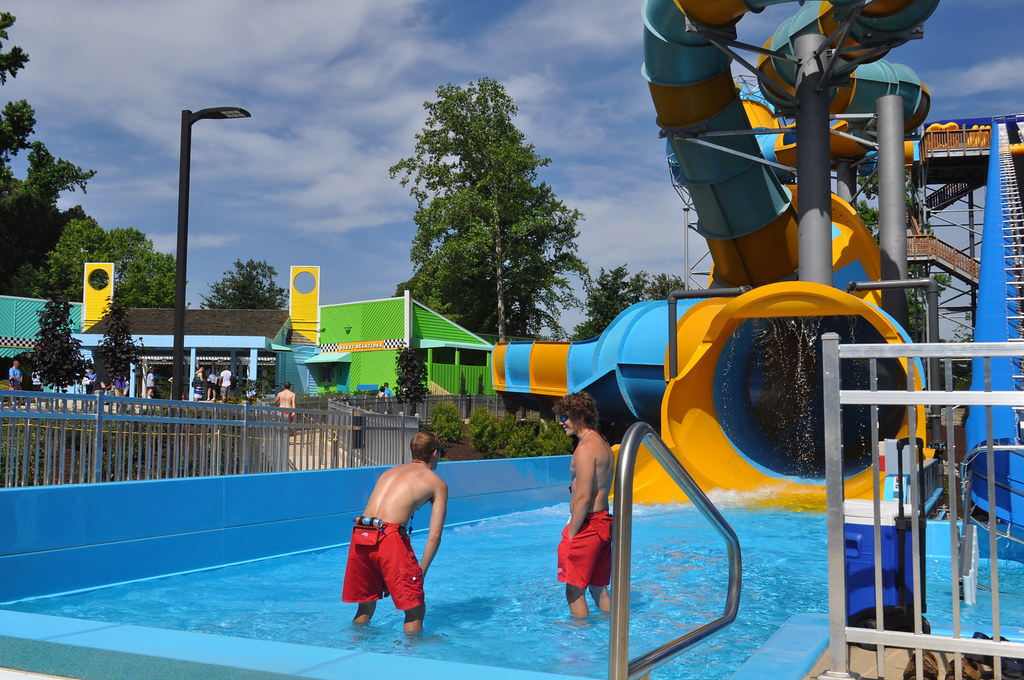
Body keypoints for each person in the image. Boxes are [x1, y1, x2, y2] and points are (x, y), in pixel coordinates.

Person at [342, 431, 448, 634]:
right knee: (415, 608)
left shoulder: (389, 472)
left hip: (361, 531)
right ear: (435, 453)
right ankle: (410, 659)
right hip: (388, 536)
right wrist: (421, 573)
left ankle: (352, 649)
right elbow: (435, 536)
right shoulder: (437, 483)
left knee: (366, 604)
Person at [553, 391, 615, 619]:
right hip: (604, 523)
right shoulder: (603, 443)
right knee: (598, 587)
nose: (561, 423)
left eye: (564, 417)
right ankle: (612, 636)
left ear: (579, 416)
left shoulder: (585, 448)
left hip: (588, 525)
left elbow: (584, 497)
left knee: (573, 590)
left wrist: (570, 534)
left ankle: (578, 644)